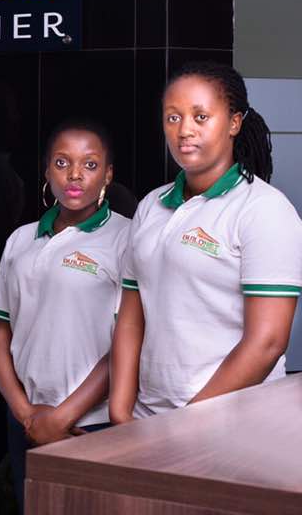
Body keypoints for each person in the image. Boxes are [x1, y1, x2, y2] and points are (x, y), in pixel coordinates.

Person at [110, 62, 302, 422]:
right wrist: (121, 412)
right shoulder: (151, 206)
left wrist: (185, 424)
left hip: (235, 425)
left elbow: (267, 342)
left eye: (201, 117)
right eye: (173, 117)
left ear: (234, 123)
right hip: (147, 420)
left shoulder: (264, 209)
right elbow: (131, 319)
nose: (184, 130)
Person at [0, 119, 130, 512]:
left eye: (90, 164)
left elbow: (128, 342)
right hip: (26, 419)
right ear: (47, 170)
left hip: (92, 422)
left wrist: (62, 416)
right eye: (63, 163)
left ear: (108, 174)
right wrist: (25, 413)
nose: (75, 175)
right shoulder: (21, 239)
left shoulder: (127, 239)